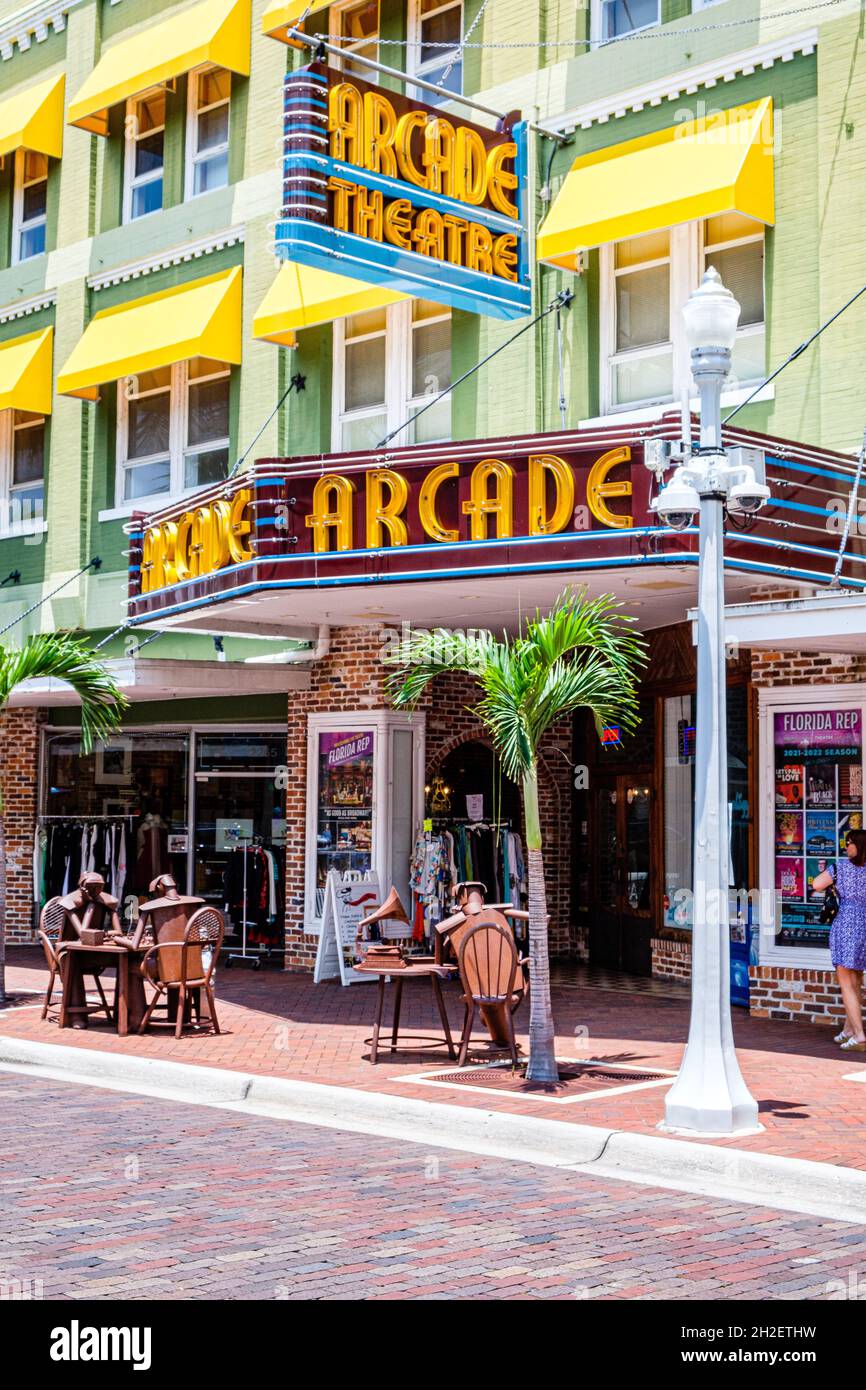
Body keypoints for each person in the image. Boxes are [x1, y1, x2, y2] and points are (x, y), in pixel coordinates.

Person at [814, 829, 866, 1051]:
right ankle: (849, 1029)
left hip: (847, 924)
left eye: (850, 843)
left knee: (846, 981)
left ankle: (860, 1035)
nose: (847, 846)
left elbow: (817, 884)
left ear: (858, 846)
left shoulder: (841, 867)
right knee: (855, 979)